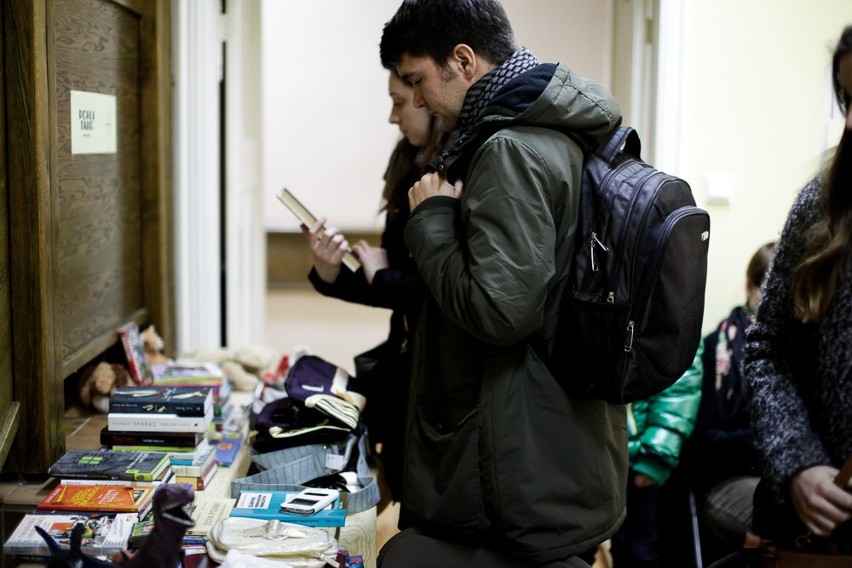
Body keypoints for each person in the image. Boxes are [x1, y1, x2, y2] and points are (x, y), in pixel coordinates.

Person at [377, 1, 627, 566]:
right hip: (551, 444)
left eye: (418, 81)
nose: (416, 100)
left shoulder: (509, 149)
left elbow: (501, 311)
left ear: (463, 61)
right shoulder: (552, 129)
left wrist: (434, 221)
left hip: (524, 462)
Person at [303, 70, 443, 506]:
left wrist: (382, 273)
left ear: (427, 97)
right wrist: (330, 273)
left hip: (438, 374)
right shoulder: (407, 165)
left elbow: (440, 288)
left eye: (399, 102)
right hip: (403, 363)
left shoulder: (456, 171)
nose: (392, 116)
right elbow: (393, 285)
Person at [743, 25, 852, 552]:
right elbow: (768, 350)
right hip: (825, 532)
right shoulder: (820, 205)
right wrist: (797, 460)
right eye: (848, 100)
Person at [608, 350, 702, 568]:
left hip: (643, 454)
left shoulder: (674, 318)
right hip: (600, 453)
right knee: (592, 547)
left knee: (639, 549)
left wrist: (655, 457)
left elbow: (680, 390)